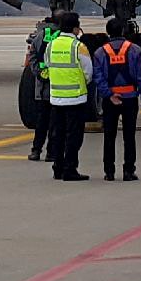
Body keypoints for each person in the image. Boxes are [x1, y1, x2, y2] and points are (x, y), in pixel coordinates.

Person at [92, 18, 141, 182]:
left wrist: (108, 94)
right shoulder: (135, 50)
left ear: (107, 32)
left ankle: (109, 172)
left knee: (109, 136)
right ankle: (128, 171)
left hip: (110, 100)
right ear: (124, 31)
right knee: (129, 136)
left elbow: (98, 77)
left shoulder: (100, 52)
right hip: (130, 97)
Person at [45, 10, 92, 181]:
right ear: (75, 28)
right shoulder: (78, 47)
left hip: (56, 97)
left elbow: (48, 65)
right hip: (75, 98)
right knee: (74, 136)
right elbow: (88, 72)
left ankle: (57, 168)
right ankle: (70, 169)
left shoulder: (51, 45)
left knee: (58, 135)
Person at [26, 15, 61, 162]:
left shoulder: (41, 35)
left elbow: (32, 55)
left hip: (41, 86)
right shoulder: (63, 37)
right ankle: (51, 153)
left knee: (41, 123)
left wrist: (38, 73)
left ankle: (36, 150)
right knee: (55, 123)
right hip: (59, 88)